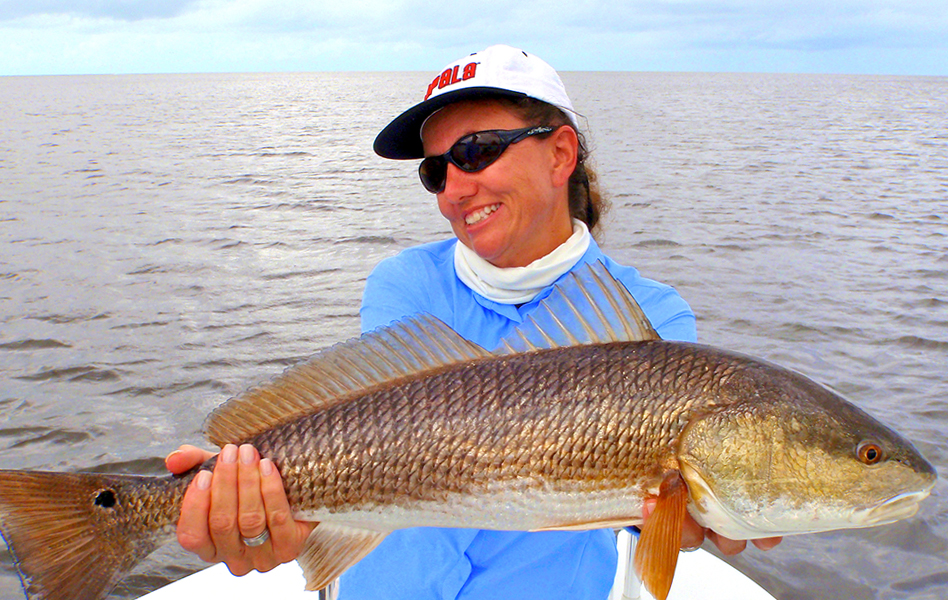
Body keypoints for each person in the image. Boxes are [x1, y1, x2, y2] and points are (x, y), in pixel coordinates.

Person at [165, 44, 781, 598]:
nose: (454, 188)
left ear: (561, 152)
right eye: (436, 170)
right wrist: (253, 504)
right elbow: (364, 439)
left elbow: (648, 513)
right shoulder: (405, 282)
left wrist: (692, 520)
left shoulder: (651, 316)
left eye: (477, 152)